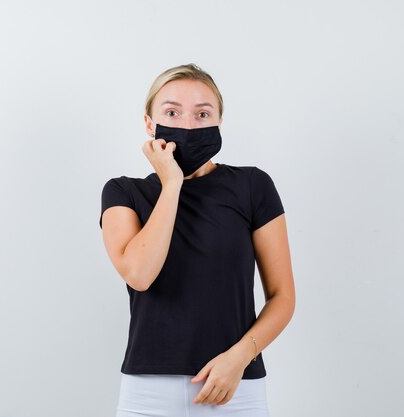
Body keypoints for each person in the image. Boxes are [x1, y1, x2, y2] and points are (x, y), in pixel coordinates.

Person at [98, 63, 295, 417]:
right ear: (149, 124)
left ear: (219, 121)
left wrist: (239, 358)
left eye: (202, 114)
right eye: (172, 112)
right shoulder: (124, 192)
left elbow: (282, 297)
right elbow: (140, 274)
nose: (187, 125)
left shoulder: (253, 187)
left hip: (236, 389)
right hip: (147, 394)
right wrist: (171, 183)